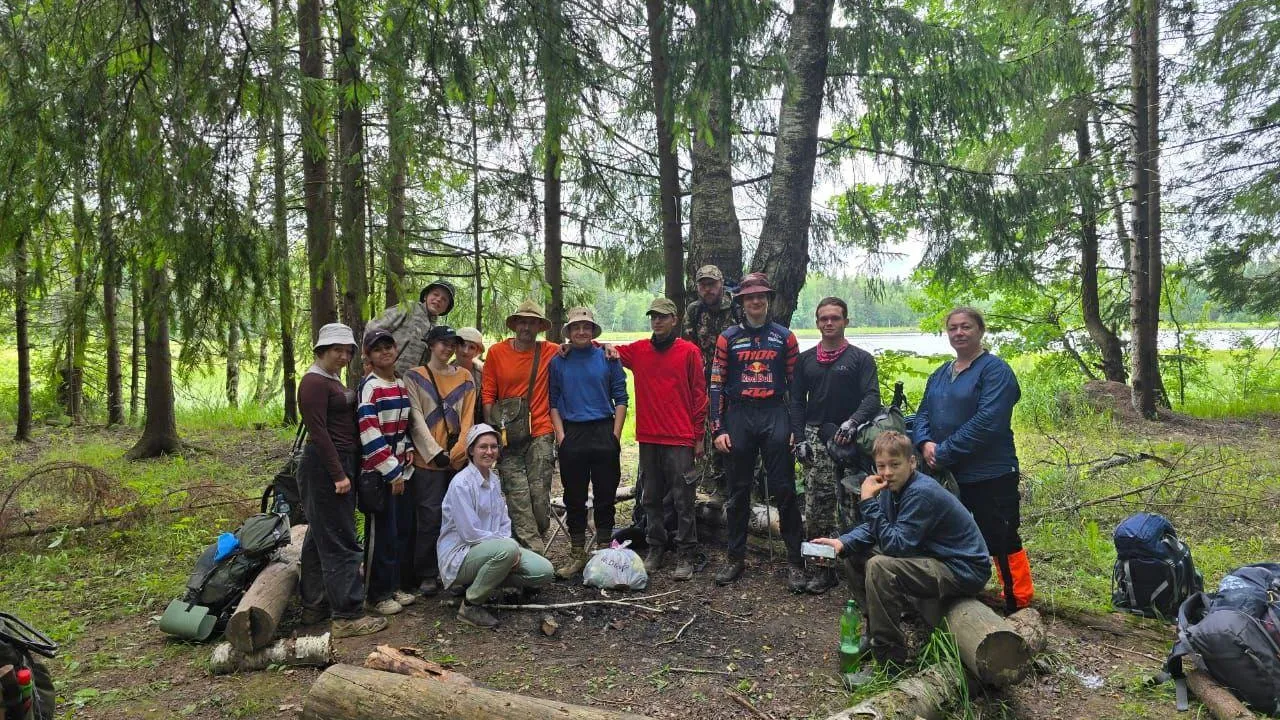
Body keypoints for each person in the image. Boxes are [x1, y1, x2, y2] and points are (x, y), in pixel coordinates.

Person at [810, 431, 990, 684]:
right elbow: (876, 527)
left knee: (880, 567)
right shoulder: (892, 487)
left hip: (962, 568)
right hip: (934, 557)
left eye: (895, 465)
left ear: (912, 463)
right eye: (881, 466)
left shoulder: (921, 493)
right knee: (855, 555)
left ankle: (890, 663)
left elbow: (897, 546)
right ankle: (875, 637)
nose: (887, 472)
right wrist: (842, 542)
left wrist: (867, 502)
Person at [913, 306, 1032, 612]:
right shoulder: (941, 374)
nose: (959, 333)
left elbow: (988, 422)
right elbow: (923, 412)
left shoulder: (995, 371)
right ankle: (960, 591)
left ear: (980, 330)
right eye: (953, 328)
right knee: (950, 533)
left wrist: (944, 451)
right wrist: (924, 442)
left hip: (990, 474)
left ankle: (1017, 602)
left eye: (966, 327)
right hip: (948, 477)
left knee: (1000, 535)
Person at [708, 273, 805, 590]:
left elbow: (796, 386)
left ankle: (795, 562)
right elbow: (716, 385)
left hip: (775, 412)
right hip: (739, 415)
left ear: (768, 299)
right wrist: (717, 427)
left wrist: (796, 427)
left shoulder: (785, 337)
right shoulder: (728, 338)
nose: (756, 301)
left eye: (761, 296)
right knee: (737, 492)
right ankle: (735, 558)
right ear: (741, 302)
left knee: (785, 490)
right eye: (750, 296)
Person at [296, 322, 387, 638]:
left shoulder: (329, 380)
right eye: (337, 350)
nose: (344, 355)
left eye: (348, 350)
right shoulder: (313, 383)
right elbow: (318, 433)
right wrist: (338, 475)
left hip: (339, 463)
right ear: (321, 350)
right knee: (341, 539)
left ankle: (314, 604)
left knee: (319, 535)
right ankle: (347, 615)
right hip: (325, 467)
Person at [789, 297, 881, 594]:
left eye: (835, 318)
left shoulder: (860, 359)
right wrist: (800, 438)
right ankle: (822, 568)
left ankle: (860, 569)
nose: (829, 323)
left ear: (845, 321)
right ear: (817, 323)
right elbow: (795, 402)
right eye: (823, 318)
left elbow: (871, 397)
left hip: (853, 440)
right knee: (817, 507)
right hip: (815, 438)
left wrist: (852, 422)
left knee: (855, 505)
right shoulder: (805, 361)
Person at [613, 297, 707, 580]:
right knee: (651, 497)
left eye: (663, 317)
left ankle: (686, 553)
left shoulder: (689, 352)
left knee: (683, 498)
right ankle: (655, 547)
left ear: (674, 320)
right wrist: (571, 347)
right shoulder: (639, 350)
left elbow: (700, 395)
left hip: (680, 437)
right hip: (649, 437)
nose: (657, 321)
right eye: (653, 316)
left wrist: (698, 436)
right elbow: (605, 351)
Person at [439, 423, 556, 628]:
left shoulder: (493, 480)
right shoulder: (461, 484)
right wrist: (508, 548)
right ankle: (470, 604)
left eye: (494, 447)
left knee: (544, 571)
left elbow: (504, 522)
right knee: (508, 549)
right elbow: (469, 534)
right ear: (471, 450)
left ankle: (488, 582)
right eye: (483, 447)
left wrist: (508, 546)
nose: (489, 452)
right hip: (461, 555)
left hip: (493, 549)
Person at [548, 307, 629, 579]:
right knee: (574, 496)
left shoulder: (607, 357)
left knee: (606, 494)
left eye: (586, 327)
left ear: (593, 331)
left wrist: (615, 435)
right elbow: (554, 400)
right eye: (576, 327)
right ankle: (577, 552)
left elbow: (621, 397)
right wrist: (561, 436)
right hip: (573, 433)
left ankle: (605, 551)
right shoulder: (558, 361)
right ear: (569, 332)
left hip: (603, 430)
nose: (581, 331)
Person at [403, 325, 477, 597]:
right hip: (427, 462)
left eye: (451, 343)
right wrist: (435, 453)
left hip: (457, 461)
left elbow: (469, 417)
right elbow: (415, 419)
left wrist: (458, 452)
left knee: (458, 517)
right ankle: (426, 573)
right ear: (430, 345)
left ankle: (456, 569)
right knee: (429, 517)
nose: (447, 348)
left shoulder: (466, 378)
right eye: (441, 343)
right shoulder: (414, 377)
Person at [482, 300, 559, 548]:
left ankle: (529, 547)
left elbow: (583, 346)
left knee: (538, 498)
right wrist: (492, 433)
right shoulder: (496, 352)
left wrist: (610, 350)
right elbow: (488, 394)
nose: (527, 326)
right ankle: (533, 558)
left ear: (539, 326)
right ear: (515, 324)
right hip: (508, 435)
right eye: (522, 321)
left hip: (541, 432)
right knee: (517, 497)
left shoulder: (552, 351)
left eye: (532, 322)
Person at [356, 328, 418, 616]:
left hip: (400, 472)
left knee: (398, 531)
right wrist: (391, 472)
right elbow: (370, 434)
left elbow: (403, 429)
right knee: (381, 534)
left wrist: (405, 464)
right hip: (378, 474)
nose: (385, 352)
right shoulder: (370, 387)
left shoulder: (399, 383)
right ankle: (376, 594)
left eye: (389, 346)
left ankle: (393, 585)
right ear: (368, 355)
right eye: (377, 348)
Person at [684, 265, 744, 499]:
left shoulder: (737, 307)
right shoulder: (694, 311)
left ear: (721, 283)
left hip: (738, 381)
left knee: (738, 432)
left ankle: (742, 488)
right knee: (712, 432)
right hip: (707, 382)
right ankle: (717, 486)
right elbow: (688, 347)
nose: (708, 289)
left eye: (712, 284)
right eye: (703, 285)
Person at [367, 279, 455, 376]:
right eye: (435, 294)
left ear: (446, 307)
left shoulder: (436, 331)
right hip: (383, 374)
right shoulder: (409, 308)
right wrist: (367, 361)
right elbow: (372, 327)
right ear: (426, 296)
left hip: (409, 383)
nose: (438, 299)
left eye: (444, 299)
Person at [454, 327, 486, 424]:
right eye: (462, 345)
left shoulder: (483, 375)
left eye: (471, 347)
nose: (465, 351)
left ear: (477, 352)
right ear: (455, 347)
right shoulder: (442, 372)